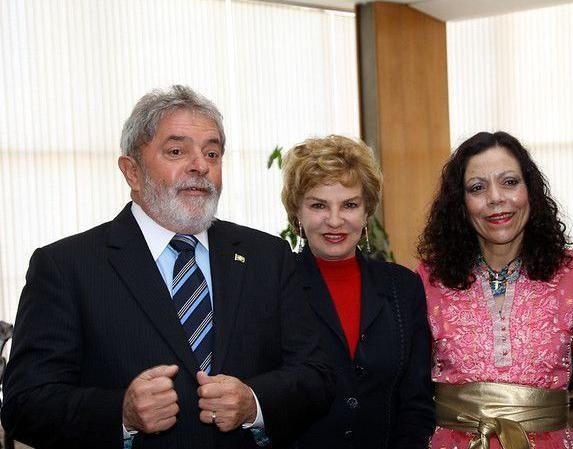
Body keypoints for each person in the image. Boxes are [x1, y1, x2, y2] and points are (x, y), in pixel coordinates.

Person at [1, 85, 333, 449]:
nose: (200, 165)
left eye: (212, 152)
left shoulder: (267, 256)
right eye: (177, 151)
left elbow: (317, 376)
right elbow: (24, 405)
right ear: (132, 171)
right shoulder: (66, 267)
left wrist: (254, 402)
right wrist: (120, 413)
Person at [417, 131, 573, 449]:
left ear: (530, 191)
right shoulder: (428, 279)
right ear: (461, 203)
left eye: (509, 182)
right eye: (477, 188)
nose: (496, 198)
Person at [281, 135, 435, 449]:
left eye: (349, 205)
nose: (335, 220)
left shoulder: (403, 287)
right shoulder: (275, 283)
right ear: (297, 211)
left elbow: (417, 403)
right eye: (318, 205)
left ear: (367, 212)